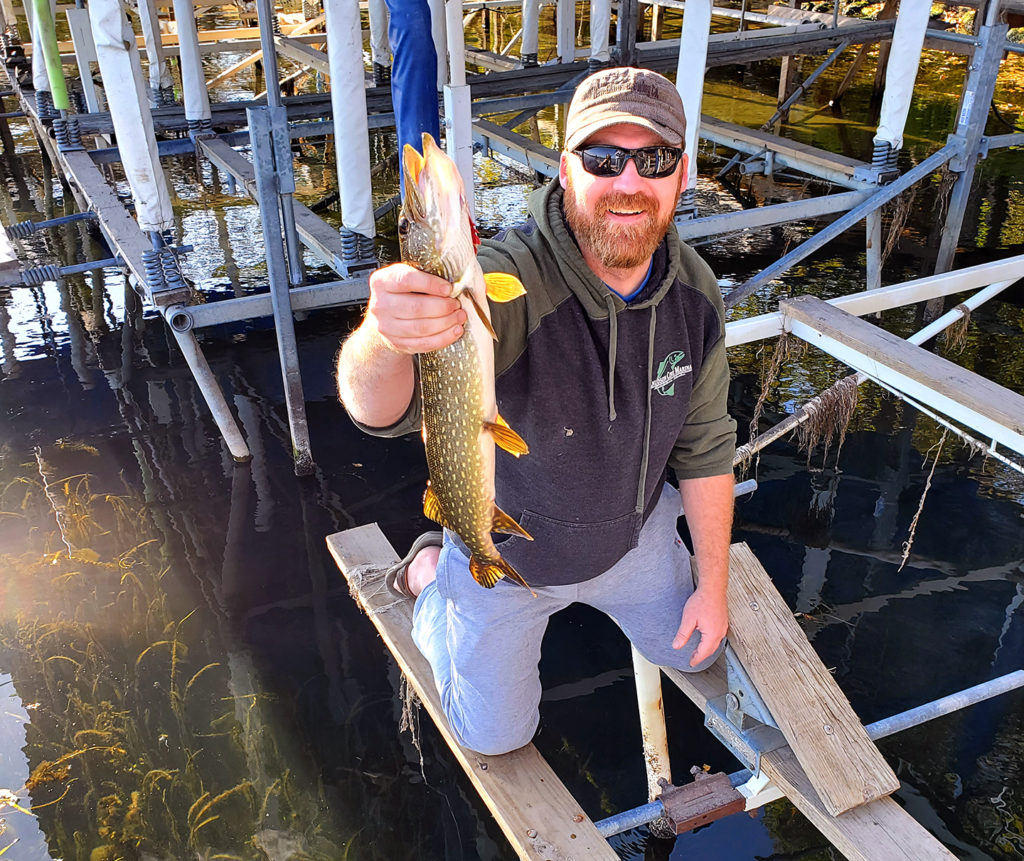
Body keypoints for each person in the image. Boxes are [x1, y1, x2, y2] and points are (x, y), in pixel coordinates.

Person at [337, 67, 737, 756]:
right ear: (565, 169)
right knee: (494, 739)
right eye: (604, 158)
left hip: (630, 539)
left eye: (654, 159)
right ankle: (433, 574)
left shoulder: (695, 292)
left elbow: (705, 447)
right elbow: (378, 410)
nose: (628, 181)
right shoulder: (501, 280)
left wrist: (714, 584)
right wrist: (384, 334)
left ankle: (635, 574)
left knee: (698, 653)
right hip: (510, 552)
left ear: (682, 173)